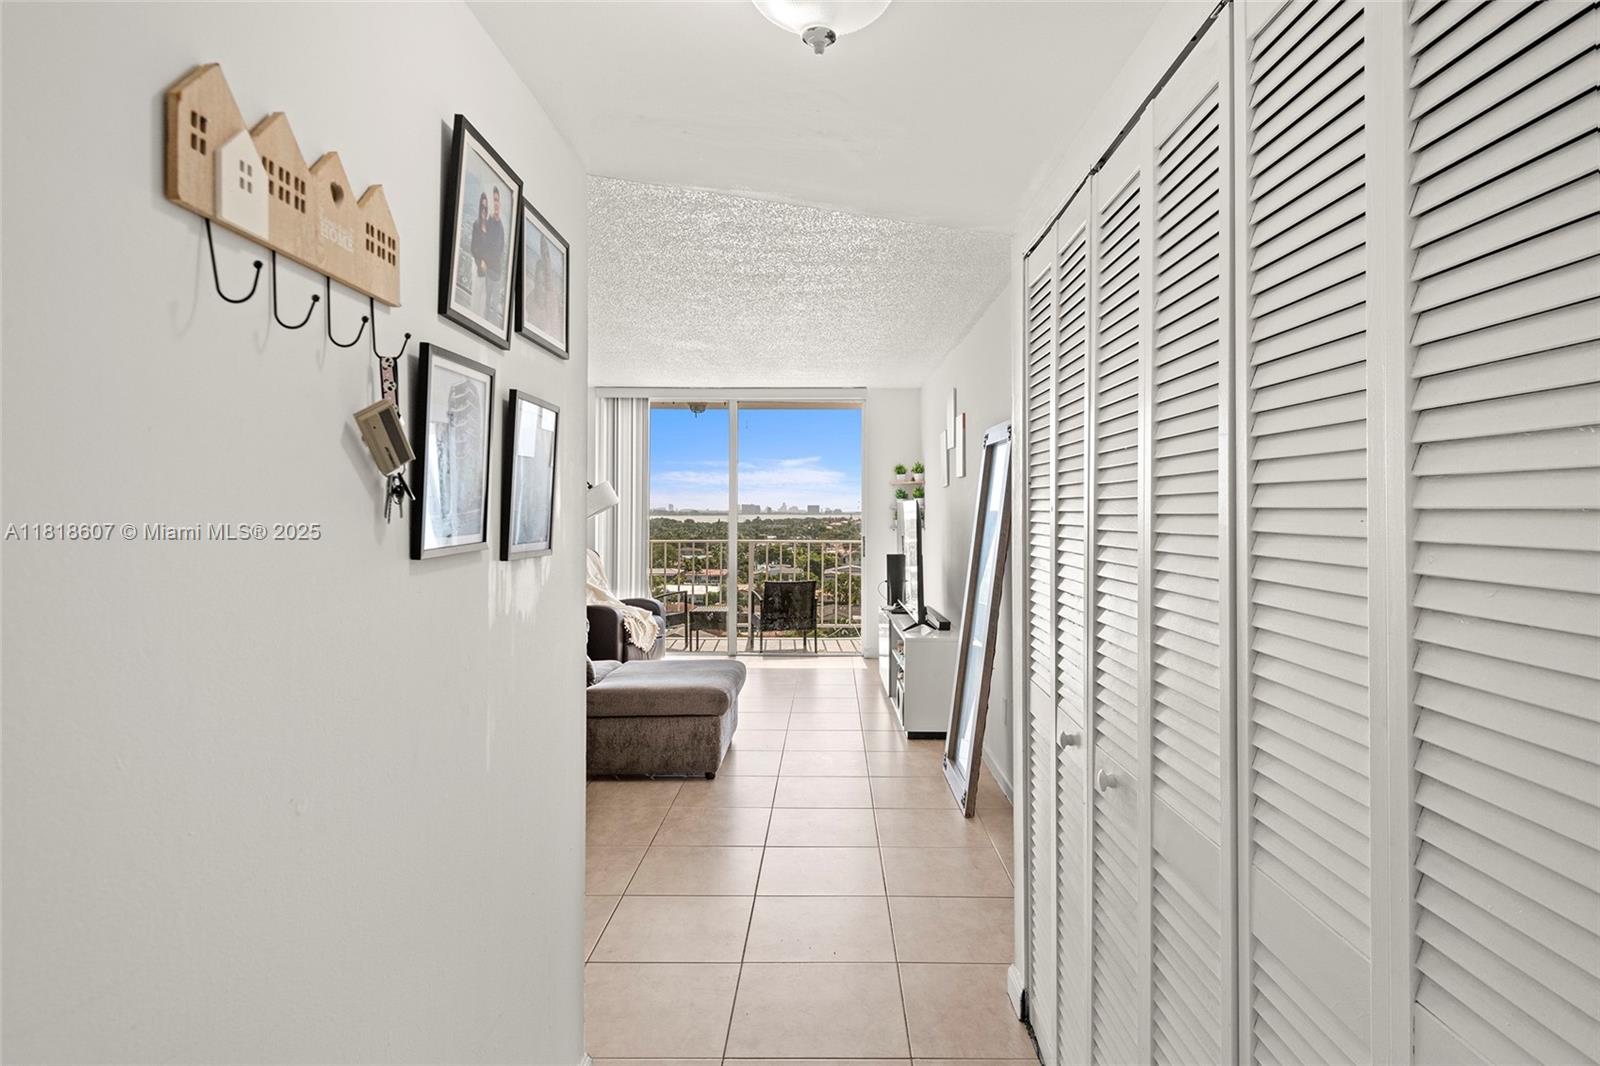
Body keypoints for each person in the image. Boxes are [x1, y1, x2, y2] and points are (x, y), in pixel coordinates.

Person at [482, 186, 506, 325]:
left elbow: (501, 249)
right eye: (494, 200)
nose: (496, 203)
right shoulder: (487, 223)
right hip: (487, 271)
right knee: (485, 303)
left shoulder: (501, 227)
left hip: (497, 273)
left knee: (494, 305)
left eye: (497, 200)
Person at [468, 191, 491, 318]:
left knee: (483, 296)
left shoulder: (489, 226)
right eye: (482, 207)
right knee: (476, 292)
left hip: (486, 266)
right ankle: (472, 316)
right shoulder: (476, 225)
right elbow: (473, 247)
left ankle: (480, 318)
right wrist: (480, 261)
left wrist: (486, 262)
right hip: (477, 263)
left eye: (486, 208)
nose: (484, 210)